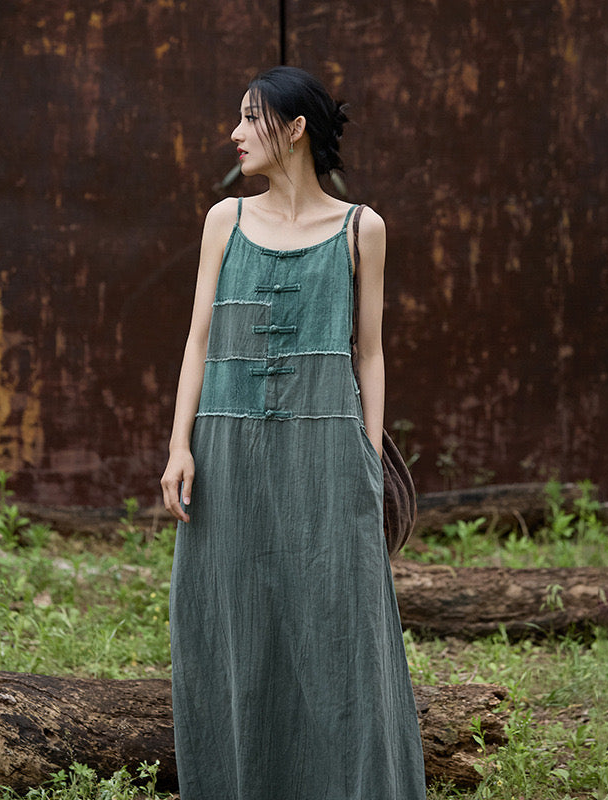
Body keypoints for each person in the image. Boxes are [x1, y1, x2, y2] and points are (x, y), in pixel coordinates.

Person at [160, 65, 426, 800]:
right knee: (230, 623)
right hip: (225, 455)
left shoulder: (361, 229)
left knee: (340, 627)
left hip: (329, 451)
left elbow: (369, 353)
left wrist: (367, 457)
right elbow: (198, 341)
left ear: (297, 128)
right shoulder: (225, 220)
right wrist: (180, 447)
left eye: (251, 117)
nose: (235, 133)